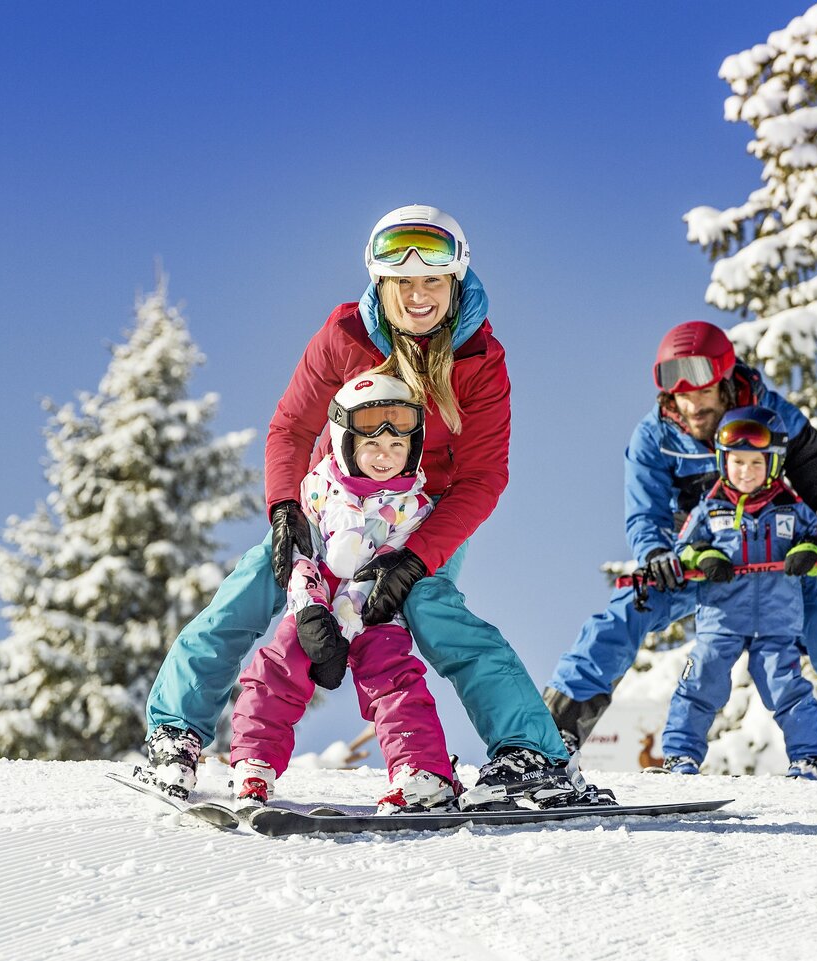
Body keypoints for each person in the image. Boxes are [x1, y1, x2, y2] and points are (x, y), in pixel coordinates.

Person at [140, 204, 604, 810]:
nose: (418, 295)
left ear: (455, 281)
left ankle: (530, 754)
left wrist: (414, 559)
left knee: (434, 611)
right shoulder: (344, 338)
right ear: (380, 283)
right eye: (403, 282)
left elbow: (483, 475)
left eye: (432, 281)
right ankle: (175, 730)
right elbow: (289, 429)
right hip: (330, 501)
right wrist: (285, 512)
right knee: (252, 588)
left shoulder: (479, 363)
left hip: (418, 515)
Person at [543, 320, 817, 788]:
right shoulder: (655, 436)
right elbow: (644, 512)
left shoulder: (773, 415)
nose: (691, 404)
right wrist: (658, 554)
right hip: (701, 563)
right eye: (679, 393)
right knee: (620, 618)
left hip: (775, 563)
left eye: (701, 391)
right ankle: (549, 739)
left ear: (724, 380)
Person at [229, 374, 460, 815]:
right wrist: (314, 610)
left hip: (373, 606)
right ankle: (254, 761)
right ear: (346, 441)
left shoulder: (414, 507)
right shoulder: (317, 488)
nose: (384, 456)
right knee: (280, 665)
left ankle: (421, 772)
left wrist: (348, 616)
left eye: (397, 447)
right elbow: (302, 552)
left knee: (391, 675)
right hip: (313, 600)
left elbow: (387, 563)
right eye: (372, 444)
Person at [656, 406, 817, 781]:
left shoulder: (791, 508)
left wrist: (807, 552)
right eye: (738, 462)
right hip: (721, 617)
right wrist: (705, 557)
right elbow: (685, 546)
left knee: (786, 687)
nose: (746, 471)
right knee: (701, 679)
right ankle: (679, 756)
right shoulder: (711, 508)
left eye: (756, 463)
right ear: (724, 462)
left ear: (772, 465)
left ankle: (811, 759)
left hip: (776, 619)